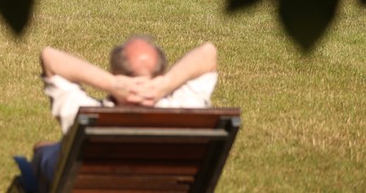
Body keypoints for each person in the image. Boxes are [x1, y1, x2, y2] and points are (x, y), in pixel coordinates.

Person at [18, 37, 219, 193]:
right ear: (160, 73)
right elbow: (208, 53)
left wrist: (112, 85)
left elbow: (49, 57)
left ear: (115, 71)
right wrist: (165, 85)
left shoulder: (84, 112)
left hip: (89, 183)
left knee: (42, 151)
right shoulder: (182, 107)